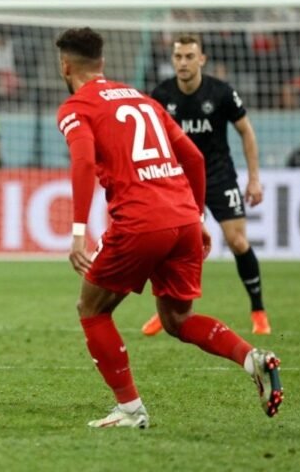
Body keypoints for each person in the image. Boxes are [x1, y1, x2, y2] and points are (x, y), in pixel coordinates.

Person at [54, 27, 282, 429]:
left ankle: (130, 409)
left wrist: (76, 233)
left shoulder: (76, 107)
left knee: (91, 309)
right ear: (102, 63)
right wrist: (197, 218)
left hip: (140, 221)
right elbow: (194, 159)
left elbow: (84, 162)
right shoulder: (142, 98)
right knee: (177, 319)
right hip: (182, 218)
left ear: (65, 66)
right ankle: (252, 358)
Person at [142, 35, 271, 336]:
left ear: (202, 59)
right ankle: (166, 311)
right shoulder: (161, 95)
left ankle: (258, 311)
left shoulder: (221, 92)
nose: (183, 63)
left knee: (237, 241)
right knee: (169, 249)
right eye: (178, 57)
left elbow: (246, 131)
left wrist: (254, 178)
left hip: (218, 176)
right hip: (179, 181)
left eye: (189, 56)